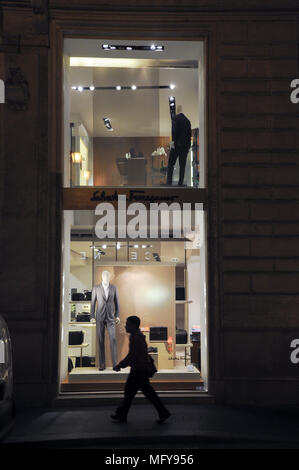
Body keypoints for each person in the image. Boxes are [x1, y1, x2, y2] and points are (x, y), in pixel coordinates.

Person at [111, 315, 171, 424]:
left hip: (138, 370)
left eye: (127, 324)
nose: (125, 326)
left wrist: (120, 365)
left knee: (132, 392)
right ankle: (122, 414)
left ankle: (121, 414)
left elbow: (132, 355)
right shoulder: (137, 336)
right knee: (142, 393)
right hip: (140, 369)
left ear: (133, 325)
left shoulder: (136, 337)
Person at [166, 104, 191, 186]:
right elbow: (189, 136)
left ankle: (169, 183)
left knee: (171, 164)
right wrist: (187, 148)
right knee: (182, 166)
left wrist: (172, 145)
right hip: (184, 147)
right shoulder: (187, 121)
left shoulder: (175, 119)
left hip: (176, 145)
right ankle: (180, 183)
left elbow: (174, 132)